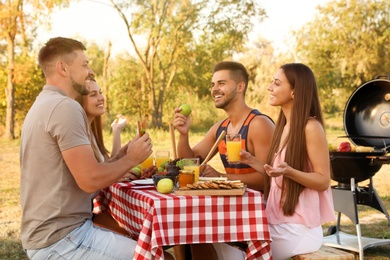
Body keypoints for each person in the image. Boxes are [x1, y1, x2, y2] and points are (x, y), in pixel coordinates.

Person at [20, 37, 153, 260]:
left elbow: (78, 174)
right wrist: (131, 160)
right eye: (84, 64)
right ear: (63, 68)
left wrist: (117, 159)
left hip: (51, 236)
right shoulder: (65, 107)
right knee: (158, 257)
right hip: (63, 240)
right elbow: (89, 181)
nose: (89, 71)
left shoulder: (43, 103)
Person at [173, 61, 275, 260]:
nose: (214, 89)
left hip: (258, 213)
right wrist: (183, 135)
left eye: (221, 83)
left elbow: (269, 179)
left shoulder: (259, 124)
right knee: (183, 225)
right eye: (212, 85)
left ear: (240, 86)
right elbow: (189, 163)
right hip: (231, 207)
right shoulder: (221, 127)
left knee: (192, 227)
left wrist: (221, 177)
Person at [240, 63, 336, 259]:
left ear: (294, 92)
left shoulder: (310, 127)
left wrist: (290, 171)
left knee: (236, 247)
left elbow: (323, 180)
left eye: (276, 83)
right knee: (223, 239)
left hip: (299, 230)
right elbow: (276, 173)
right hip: (277, 221)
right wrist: (252, 161)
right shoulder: (284, 127)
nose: (269, 87)